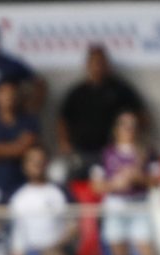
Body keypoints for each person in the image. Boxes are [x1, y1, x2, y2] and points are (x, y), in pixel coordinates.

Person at [57, 44, 147, 172]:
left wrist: (132, 139)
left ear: (107, 64)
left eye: (101, 62)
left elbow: (142, 117)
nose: (98, 67)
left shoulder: (121, 90)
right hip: (82, 152)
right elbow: (63, 119)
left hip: (114, 153)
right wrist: (64, 143)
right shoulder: (77, 92)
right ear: (88, 65)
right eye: (94, 63)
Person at [96, 111, 159, 255]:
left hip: (139, 204)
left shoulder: (147, 152)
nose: (128, 129)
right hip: (116, 205)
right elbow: (96, 185)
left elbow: (157, 181)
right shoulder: (106, 153)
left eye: (132, 125)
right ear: (116, 129)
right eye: (124, 125)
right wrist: (114, 184)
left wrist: (139, 178)